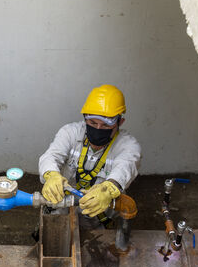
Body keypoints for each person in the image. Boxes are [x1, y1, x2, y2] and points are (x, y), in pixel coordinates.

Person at [38, 84, 141, 228]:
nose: (98, 129)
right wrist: (51, 175)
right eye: (92, 122)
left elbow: (125, 167)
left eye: (105, 125)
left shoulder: (128, 145)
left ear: (120, 122)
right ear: (85, 118)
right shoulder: (70, 132)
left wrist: (109, 188)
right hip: (61, 205)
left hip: (97, 214)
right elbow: (51, 156)